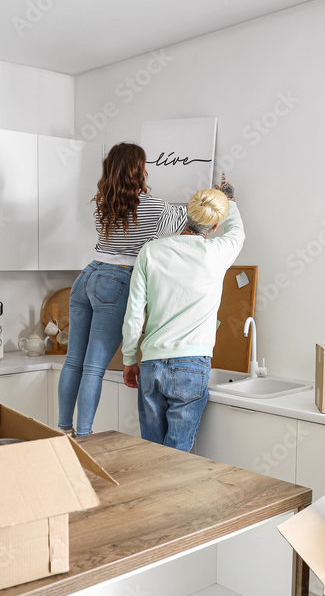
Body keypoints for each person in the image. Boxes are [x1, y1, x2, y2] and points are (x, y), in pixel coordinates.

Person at [58, 143, 187, 437]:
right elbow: (193, 218)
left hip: (86, 276)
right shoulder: (155, 207)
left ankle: (64, 429)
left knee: (73, 362)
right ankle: (85, 437)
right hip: (116, 281)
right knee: (93, 369)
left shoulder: (104, 203)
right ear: (139, 170)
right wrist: (224, 197)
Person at [121, 175, 244, 451]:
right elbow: (237, 232)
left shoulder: (150, 251)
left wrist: (129, 358)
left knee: (153, 454)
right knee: (177, 460)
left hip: (151, 365)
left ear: (187, 214)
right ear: (214, 225)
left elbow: (134, 313)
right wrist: (230, 200)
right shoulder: (218, 252)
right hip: (190, 367)